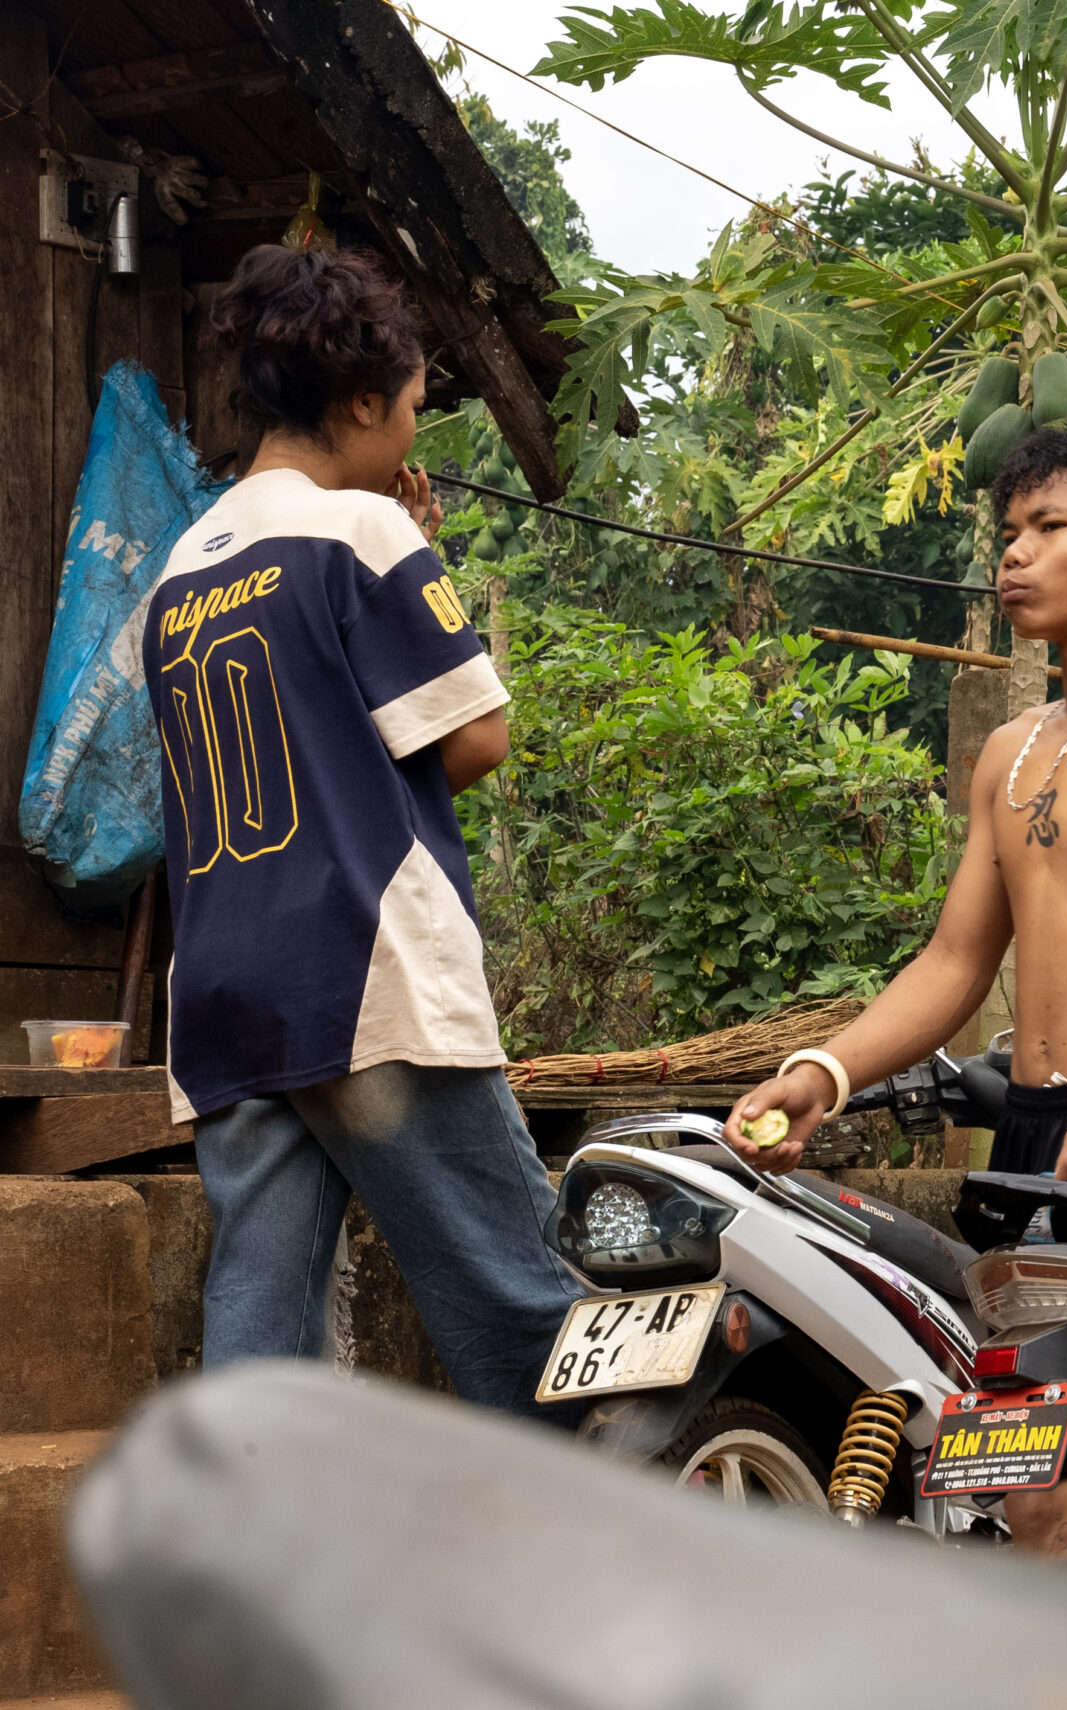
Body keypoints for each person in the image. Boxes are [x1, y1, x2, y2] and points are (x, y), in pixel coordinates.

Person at [719, 420, 1067, 1556]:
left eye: (1047, 526)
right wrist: (822, 1072)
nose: (1013, 555)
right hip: (1030, 1139)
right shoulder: (1013, 749)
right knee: (1020, 1495)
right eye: (1009, 532)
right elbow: (954, 963)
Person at [141, 245, 582, 1416]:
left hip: (227, 996)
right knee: (527, 1310)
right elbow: (474, 739)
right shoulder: (358, 532)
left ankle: (249, 1529)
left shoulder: (179, 574)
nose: (413, 433)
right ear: (356, 402)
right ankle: (596, 1513)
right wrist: (416, 550)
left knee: (263, 1340)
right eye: (412, 406)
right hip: (363, 967)